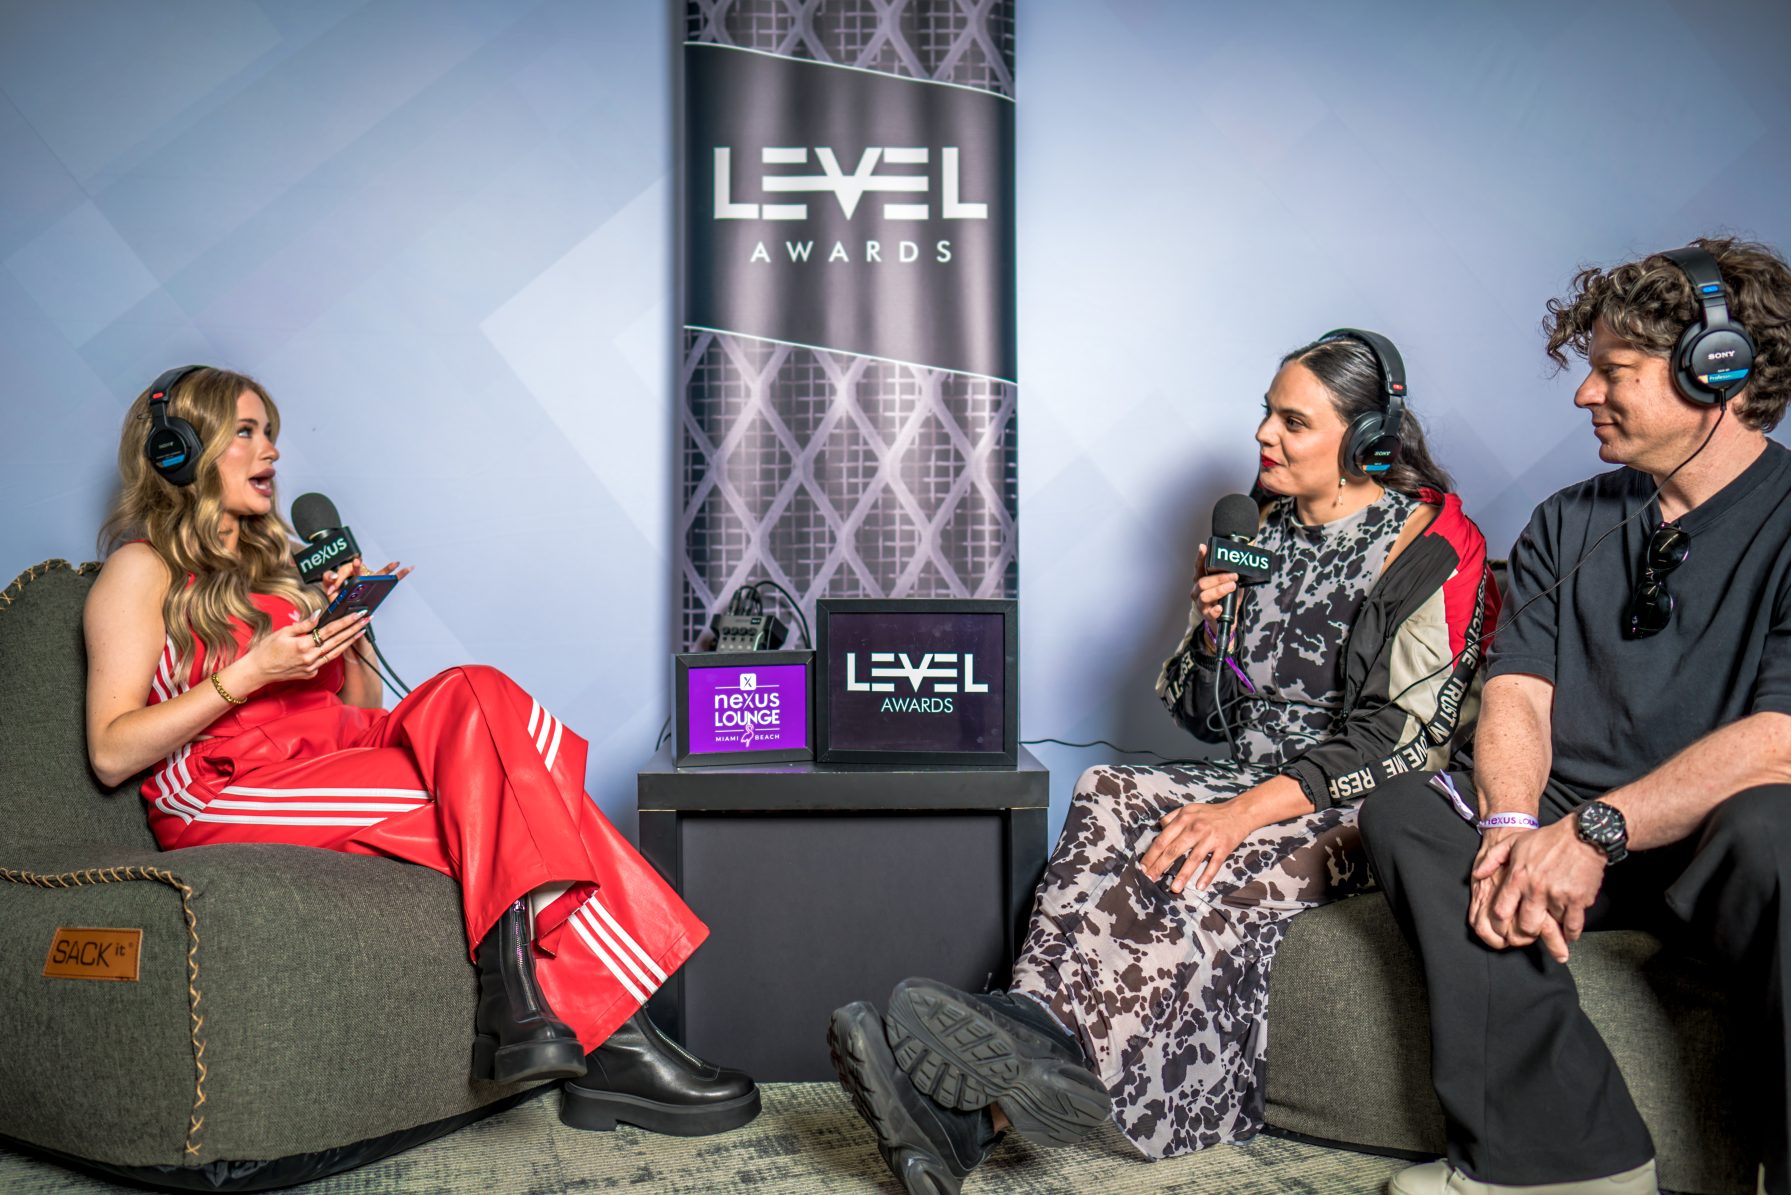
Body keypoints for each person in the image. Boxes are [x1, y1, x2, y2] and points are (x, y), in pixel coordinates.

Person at [826, 330, 1500, 1192]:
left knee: (1191, 859)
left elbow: (1402, 739)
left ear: (1366, 438)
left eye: (1293, 421)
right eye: (1266, 411)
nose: (1263, 433)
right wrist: (1213, 632)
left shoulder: (1434, 547)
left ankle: (977, 1103)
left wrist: (1242, 813)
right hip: (1247, 775)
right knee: (1106, 786)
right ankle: (1015, 1048)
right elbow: (1199, 716)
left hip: (1362, 809)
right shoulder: (1255, 528)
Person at [85, 365, 759, 1138]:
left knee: (477, 693)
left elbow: (361, 708)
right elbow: (110, 750)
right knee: (506, 794)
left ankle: (530, 1008)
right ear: (179, 452)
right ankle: (609, 1037)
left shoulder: (281, 564)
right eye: (246, 432)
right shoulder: (142, 569)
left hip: (329, 754)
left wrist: (352, 620)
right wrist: (248, 674)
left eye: (270, 431)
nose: (270, 449)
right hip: (227, 784)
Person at [1359, 238, 1791, 1195]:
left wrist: (1597, 830)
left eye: (1613, 371)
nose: (1584, 394)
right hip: (1563, 832)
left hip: (1713, 846)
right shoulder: (1567, 520)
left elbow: (1781, 740)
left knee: (1776, 826)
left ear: (1716, 371)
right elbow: (1517, 690)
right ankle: (1570, 1160)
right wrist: (1512, 826)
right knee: (1406, 810)